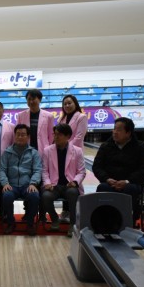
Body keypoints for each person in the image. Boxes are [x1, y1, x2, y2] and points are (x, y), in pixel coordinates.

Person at [92, 117, 144, 223]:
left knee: (131, 189)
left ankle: (128, 220)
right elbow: (97, 167)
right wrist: (107, 179)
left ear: (128, 133)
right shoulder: (105, 146)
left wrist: (127, 181)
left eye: (119, 130)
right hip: (110, 183)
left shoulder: (141, 147)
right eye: (114, 129)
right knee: (102, 187)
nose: (114, 132)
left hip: (131, 183)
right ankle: (105, 221)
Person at [40, 124, 86, 237]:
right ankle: (55, 220)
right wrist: (47, 183)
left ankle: (73, 224)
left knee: (73, 193)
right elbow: (44, 171)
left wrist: (75, 182)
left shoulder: (78, 151)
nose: (56, 137)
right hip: (54, 186)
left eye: (59, 135)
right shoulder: (47, 150)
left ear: (68, 136)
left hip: (69, 186)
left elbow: (81, 171)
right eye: (55, 134)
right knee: (46, 196)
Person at [0, 124, 42, 236]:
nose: (20, 137)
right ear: (15, 136)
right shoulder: (7, 152)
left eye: (23, 135)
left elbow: (37, 170)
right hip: (11, 185)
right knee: (6, 196)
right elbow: (2, 170)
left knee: (34, 196)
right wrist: (5, 183)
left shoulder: (34, 153)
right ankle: (11, 223)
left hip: (27, 185)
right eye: (18, 134)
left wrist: (33, 183)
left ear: (28, 137)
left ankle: (30, 224)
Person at [57, 94, 88, 223]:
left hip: (75, 153)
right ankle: (65, 211)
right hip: (62, 152)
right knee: (63, 179)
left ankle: (74, 211)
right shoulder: (62, 119)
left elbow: (79, 137)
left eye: (69, 103)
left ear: (75, 103)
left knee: (73, 180)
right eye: (65, 104)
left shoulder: (81, 117)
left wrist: (66, 147)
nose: (67, 105)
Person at [16, 89, 54, 157]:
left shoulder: (49, 116)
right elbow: (17, 134)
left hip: (43, 149)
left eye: (33, 99)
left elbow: (51, 136)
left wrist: (49, 148)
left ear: (40, 100)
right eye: (29, 99)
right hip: (25, 149)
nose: (31, 101)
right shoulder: (21, 115)